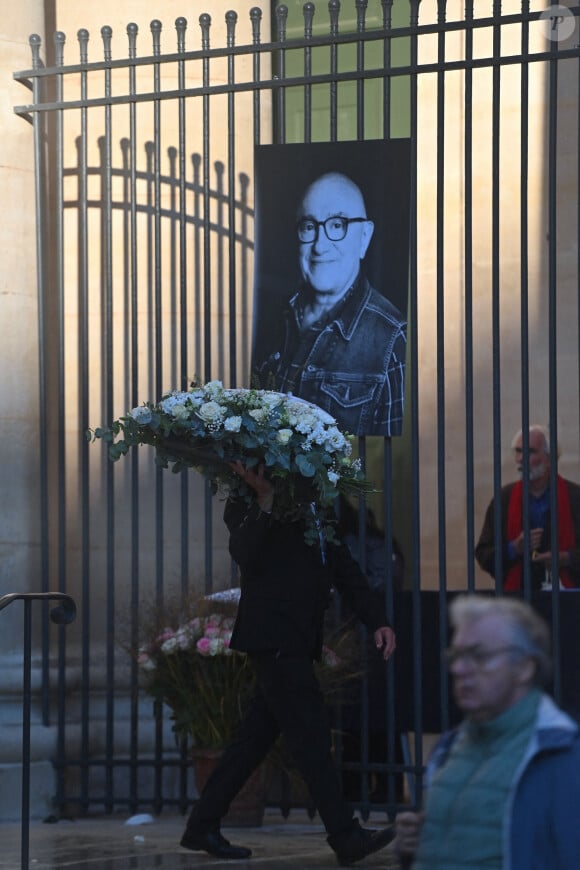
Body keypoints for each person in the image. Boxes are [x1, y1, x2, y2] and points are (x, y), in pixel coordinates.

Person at [180, 463, 397, 865]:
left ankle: (201, 825)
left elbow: (343, 566)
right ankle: (345, 835)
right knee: (311, 736)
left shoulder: (313, 502)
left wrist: (377, 619)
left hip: (298, 638)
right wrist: (264, 500)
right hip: (274, 638)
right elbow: (245, 552)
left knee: (253, 739)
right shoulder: (245, 501)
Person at [394, 593, 580, 869]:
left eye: (478, 656)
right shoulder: (447, 749)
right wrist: (412, 849)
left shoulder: (561, 757)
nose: (459, 668)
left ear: (524, 667)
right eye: (456, 655)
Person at [252, 171, 407, 437]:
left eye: (337, 225)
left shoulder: (392, 340)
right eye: (309, 226)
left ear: (365, 236)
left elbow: (391, 459)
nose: (320, 246)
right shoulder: (272, 319)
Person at [475, 424, 580, 589]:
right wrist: (513, 549)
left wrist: (566, 558)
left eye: (530, 451)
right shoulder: (504, 499)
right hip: (517, 600)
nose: (520, 458)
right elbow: (483, 555)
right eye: (517, 451)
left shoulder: (575, 497)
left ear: (550, 459)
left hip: (567, 600)